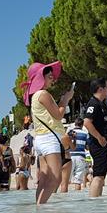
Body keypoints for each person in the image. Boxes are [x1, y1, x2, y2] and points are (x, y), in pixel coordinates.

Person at [22, 61, 74, 205]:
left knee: (44, 178)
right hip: (49, 139)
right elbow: (58, 115)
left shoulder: (36, 96)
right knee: (56, 178)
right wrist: (65, 99)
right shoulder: (43, 94)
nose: (53, 79)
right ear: (41, 78)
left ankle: (39, 209)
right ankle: (40, 207)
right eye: (50, 76)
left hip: (41, 139)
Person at [83, 78, 107, 197]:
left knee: (101, 176)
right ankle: (93, 204)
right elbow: (87, 122)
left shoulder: (100, 103)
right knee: (98, 176)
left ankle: (97, 202)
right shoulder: (93, 103)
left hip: (103, 144)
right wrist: (99, 137)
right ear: (100, 89)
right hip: (99, 144)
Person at [69, 118, 89, 192]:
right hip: (81, 157)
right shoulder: (85, 134)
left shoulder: (69, 133)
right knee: (78, 181)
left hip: (70, 157)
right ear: (82, 125)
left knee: (66, 180)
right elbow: (87, 147)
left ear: (75, 124)